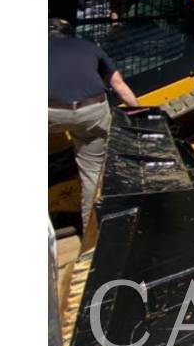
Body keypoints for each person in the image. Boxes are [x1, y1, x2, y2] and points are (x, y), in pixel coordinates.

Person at [48, 18, 140, 222]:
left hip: (50, 112)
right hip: (91, 111)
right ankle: (93, 231)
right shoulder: (89, 47)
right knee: (93, 172)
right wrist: (139, 112)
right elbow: (118, 84)